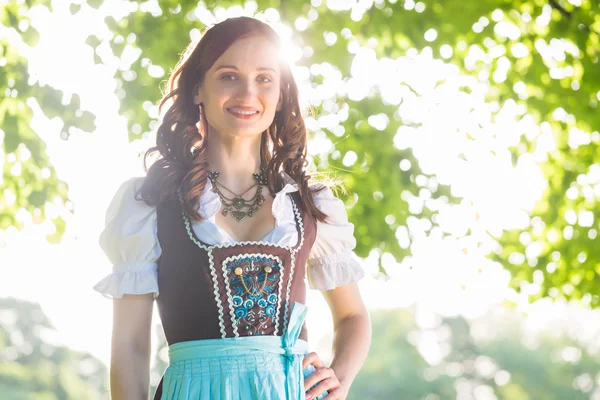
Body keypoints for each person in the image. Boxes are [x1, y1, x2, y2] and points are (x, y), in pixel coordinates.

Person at [93, 16, 371, 400]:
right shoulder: (150, 203)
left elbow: (353, 316)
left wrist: (337, 379)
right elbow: (130, 345)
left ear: (280, 94)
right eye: (228, 76)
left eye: (264, 79)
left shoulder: (309, 203)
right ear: (196, 91)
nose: (247, 93)